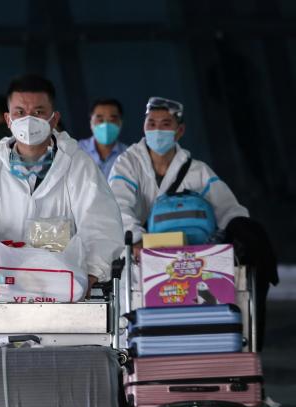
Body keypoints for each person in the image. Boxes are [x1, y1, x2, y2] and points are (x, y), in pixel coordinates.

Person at [109, 96, 277, 347]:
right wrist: (137, 240)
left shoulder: (197, 170)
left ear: (180, 130)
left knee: (192, 326)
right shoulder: (127, 164)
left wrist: (239, 233)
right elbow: (118, 205)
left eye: (165, 124)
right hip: (142, 258)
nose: (157, 130)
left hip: (193, 261)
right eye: (151, 123)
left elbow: (229, 208)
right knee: (143, 331)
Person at [0, 75, 124, 290]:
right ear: (8, 120)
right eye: (20, 112)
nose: (28, 120)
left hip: (65, 293)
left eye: (38, 112)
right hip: (4, 290)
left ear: (54, 120)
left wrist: (91, 274)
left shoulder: (79, 166)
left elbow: (101, 223)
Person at [79, 98, 127, 179]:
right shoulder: (77, 150)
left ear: (120, 123)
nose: (106, 125)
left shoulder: (128, 155)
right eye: (100, 120)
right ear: (91, 122)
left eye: (112, 120)